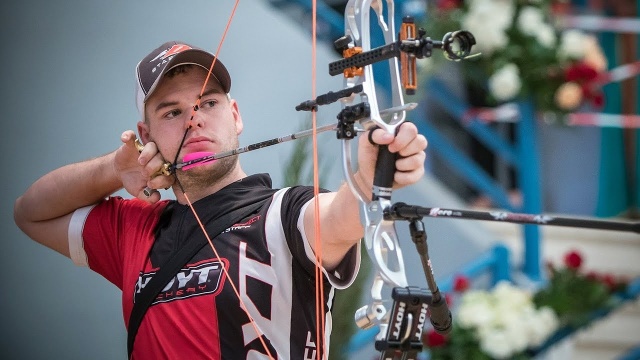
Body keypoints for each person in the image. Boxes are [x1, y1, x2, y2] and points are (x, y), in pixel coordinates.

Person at [13, 41, 427, 359]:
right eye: (172, 112)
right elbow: (30, 213)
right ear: (147, 134)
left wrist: (371, 179)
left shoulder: (284, 214)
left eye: (207, 103)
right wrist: (113, 171)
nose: (194, 119)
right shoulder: (133, 229)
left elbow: (340, 215)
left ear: (236, 115)